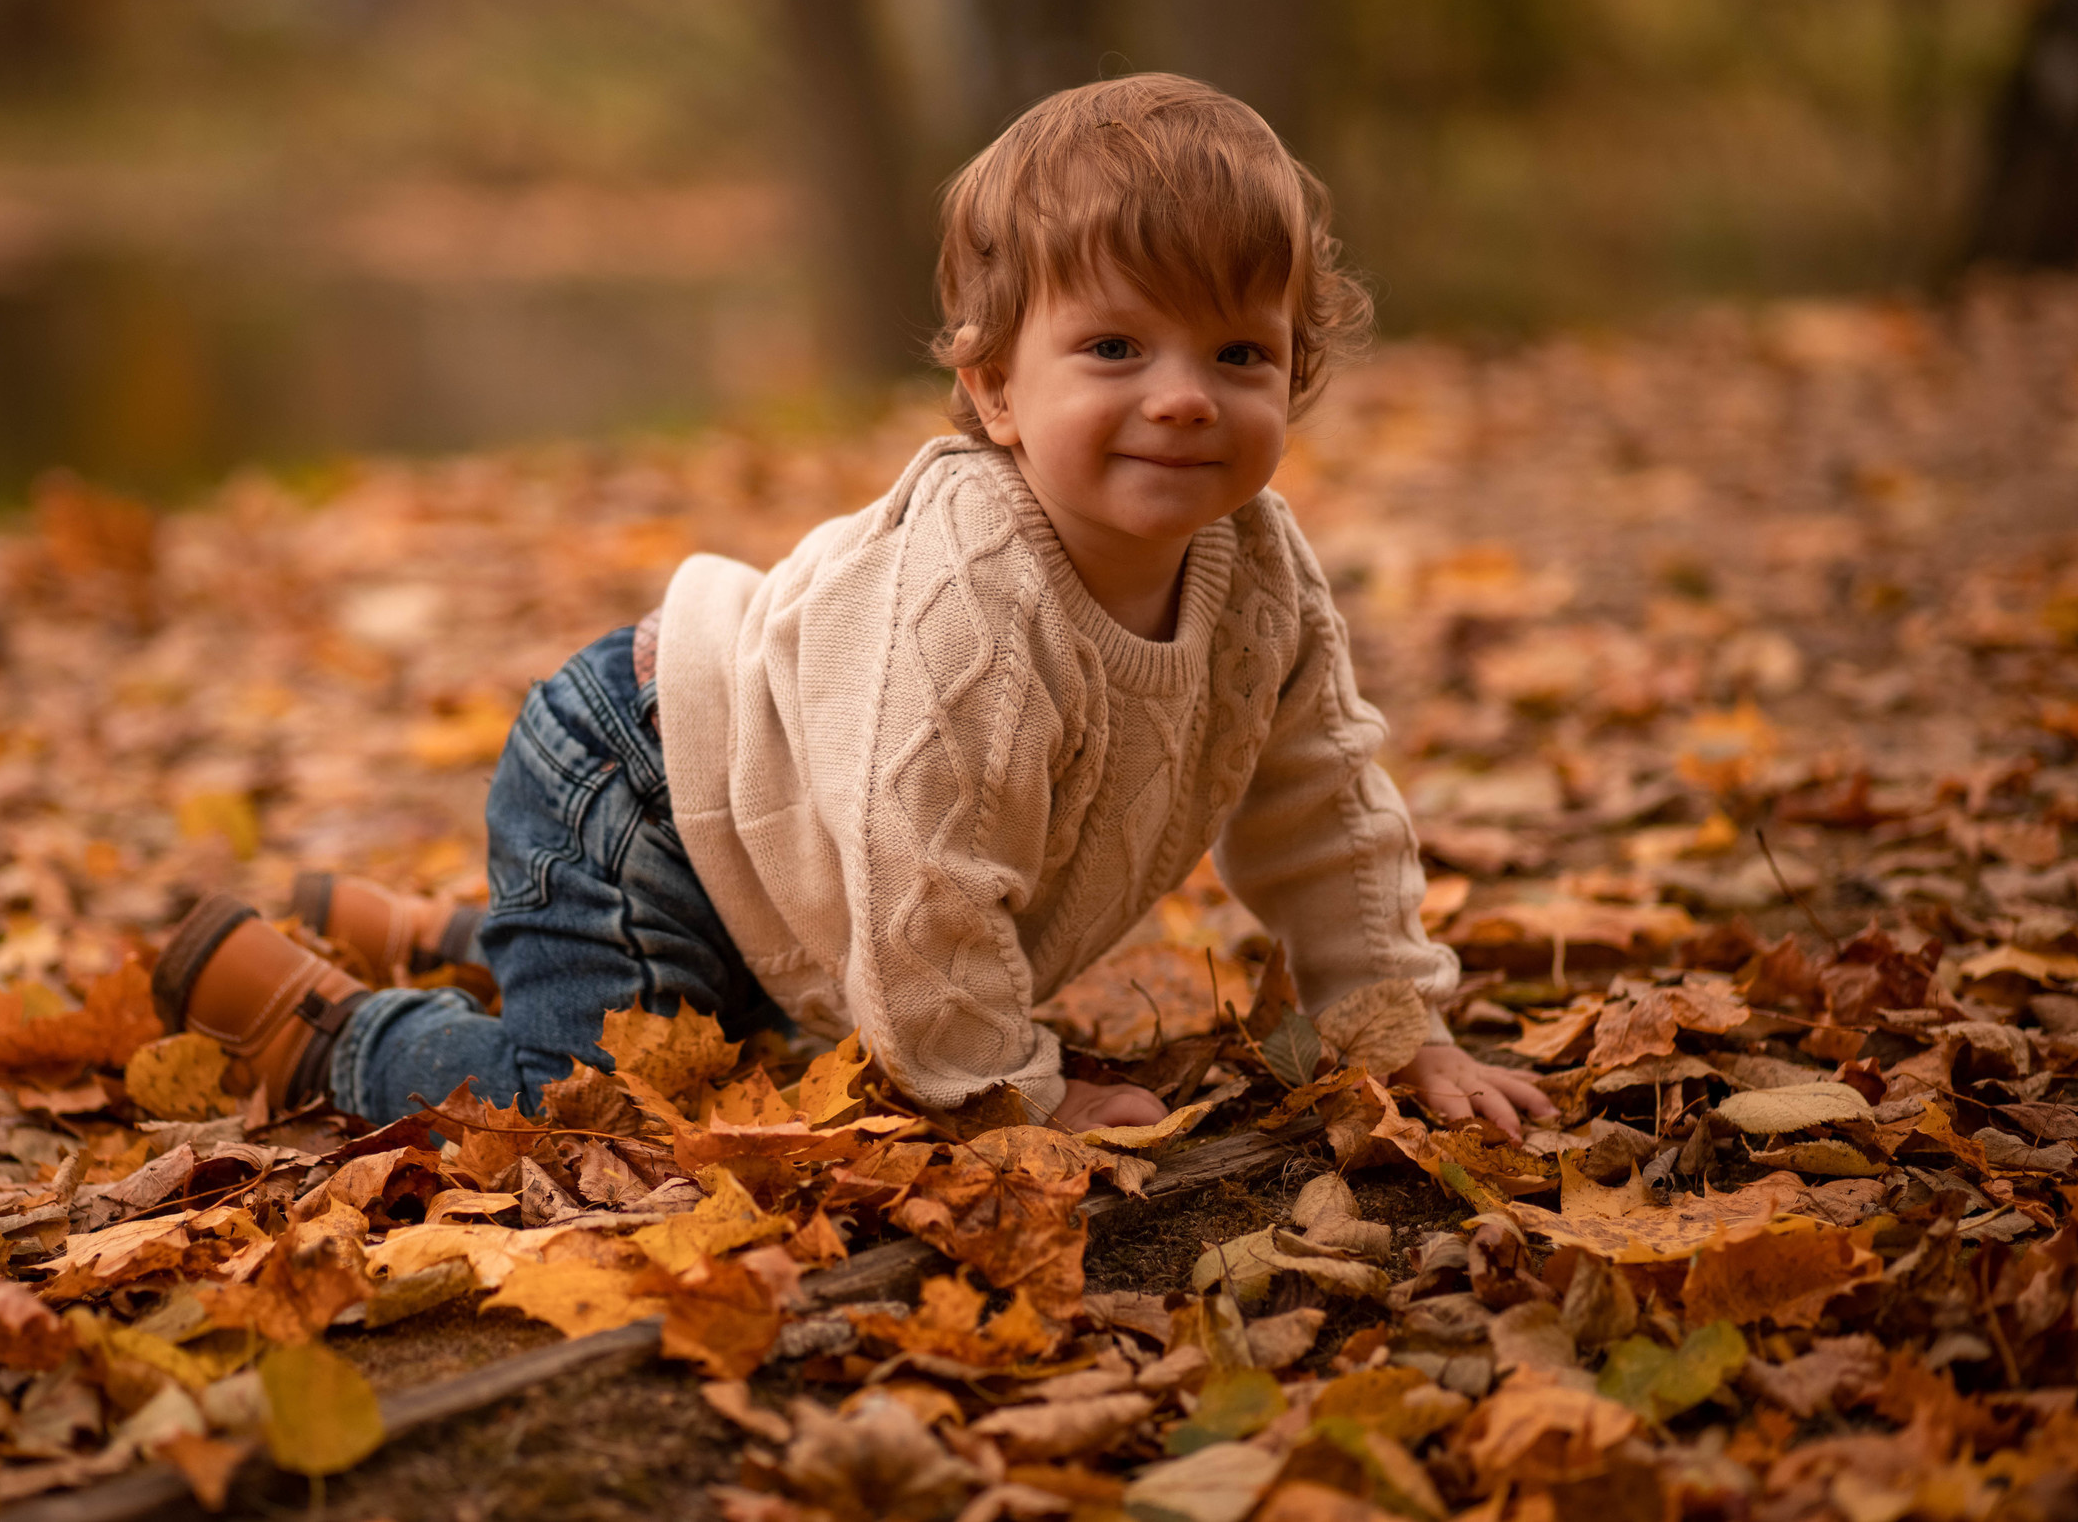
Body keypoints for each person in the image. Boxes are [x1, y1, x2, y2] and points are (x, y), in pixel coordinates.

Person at [152, 74, 1553, 1141]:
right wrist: (1009, 1098)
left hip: (796, 848)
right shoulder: (977, 597)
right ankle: (321, 1025)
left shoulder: (1261, 571)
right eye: (1115, 347)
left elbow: (1324, 792)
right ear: (997, 385)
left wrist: (1388, 1025)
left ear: (1295, 375)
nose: (1184, 395)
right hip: (642, 781)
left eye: (1239, 352)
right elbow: (920, 867)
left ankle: (457, 936)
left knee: (754, 1033)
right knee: (593, 1098)